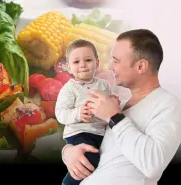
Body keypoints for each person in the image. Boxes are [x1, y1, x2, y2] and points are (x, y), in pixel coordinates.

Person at [61, 29, 181, 185]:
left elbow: (153, 165)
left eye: (116, 60)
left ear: (140, 66)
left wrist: (114, 117)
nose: (110, 66)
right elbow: (100, 150)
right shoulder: (121, 105)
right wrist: (68, 152)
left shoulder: (169, 104)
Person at [55, 39, 118, 185]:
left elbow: (109, 105)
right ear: (69, 68)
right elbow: (60, 114)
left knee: (104, 164)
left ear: (97, 63)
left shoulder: (104, 84)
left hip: (101, 133)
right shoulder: (69, 88)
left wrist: (113, 100)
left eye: (88, 60)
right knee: (89, 160)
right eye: (76, 62)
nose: (82, 65)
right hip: (79, 133)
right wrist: (78, 113)